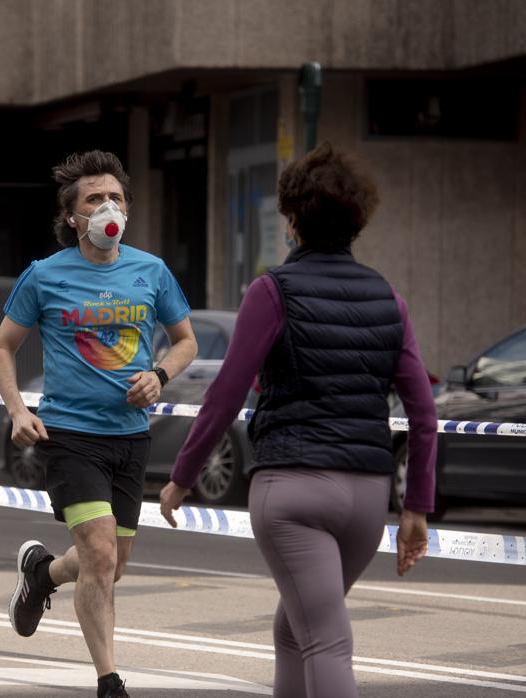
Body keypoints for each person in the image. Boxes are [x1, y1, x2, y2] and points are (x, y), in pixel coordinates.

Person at [159, 142, 436, 698]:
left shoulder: (272, 291)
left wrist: (182, 476)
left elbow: (226, 395)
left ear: (292, 220)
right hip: (366, 496)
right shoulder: (389, 299)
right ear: (356, 219)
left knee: (325, 640)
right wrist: (417, 508)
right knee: (296, 627)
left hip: (292, 489)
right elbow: (424, 413)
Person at [0, 150, 198, 698]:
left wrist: (160, 375)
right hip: (71, 436)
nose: (109, 207)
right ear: (73, 218)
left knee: (110, 565)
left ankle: (43, 573)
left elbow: (186, 342)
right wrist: (18, 410)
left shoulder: (150, 271)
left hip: (130, 436)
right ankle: (109, 680)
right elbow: (2, 348)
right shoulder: (44, 275)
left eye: (117, 198)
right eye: (94, 199)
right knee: (101, 555)